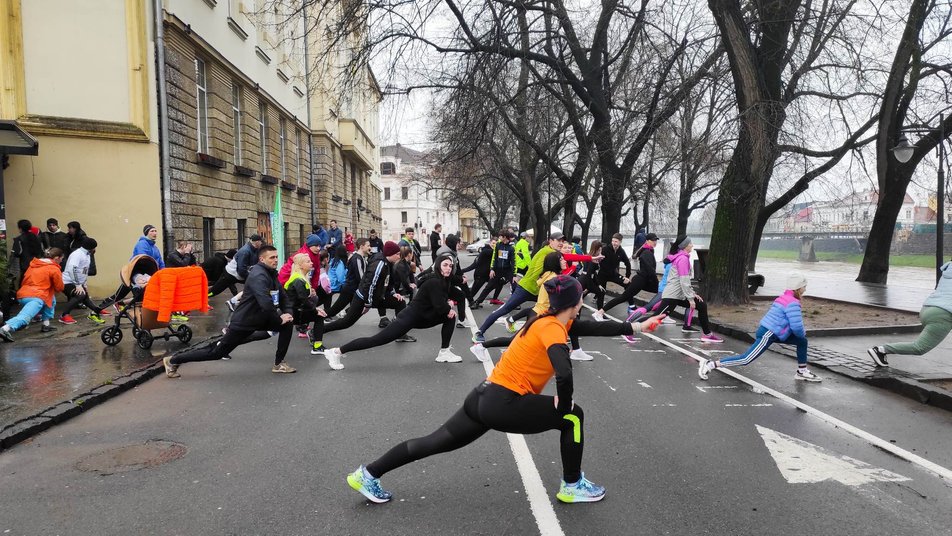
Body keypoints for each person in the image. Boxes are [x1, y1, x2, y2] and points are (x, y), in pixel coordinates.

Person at [345, 275, 664, 504]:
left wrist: (637, 326)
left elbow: (594, 327)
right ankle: (572, 485)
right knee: (573, 417)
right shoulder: (553, 327)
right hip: (504, 403)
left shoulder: (548, 320)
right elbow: (564, 372)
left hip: (483, 396)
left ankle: (368, 473)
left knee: (434, 442)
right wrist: (563, 405)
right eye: (581, 297)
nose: (583, 302)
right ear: (575, 302)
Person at [163, 245, 298, 377]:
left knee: (287, 324)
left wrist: (288, 314)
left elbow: (283, 296)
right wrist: (279, 319)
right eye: (272, 258)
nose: (275, 260)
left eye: (276, 257)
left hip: (261, 318)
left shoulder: (271, 273)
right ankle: (173, 360)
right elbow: (265, 302)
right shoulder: (259, 275)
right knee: (216, 352)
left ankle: (279, 364)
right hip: (244, 321)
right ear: (262, 259)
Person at [324, 254, 466, 369]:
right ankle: (336, 352)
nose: (448, 268)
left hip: (422, 317)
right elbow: (440, 306)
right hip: (409, 318)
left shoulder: (444, 281)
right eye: (445, 265)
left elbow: (458, 295)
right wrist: (449, 306)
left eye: (450, 266)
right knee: (377, 340)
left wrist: (450, 304)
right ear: (438, 266)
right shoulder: (434, 282)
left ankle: (444, 353)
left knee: (449, 317)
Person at [473, 232, 600, 342]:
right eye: (558, 240)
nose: (561, 243)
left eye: (562, 241)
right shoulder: (547, 251)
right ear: (551, 241)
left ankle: (559, 337)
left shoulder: (554, 252)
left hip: (538, 289)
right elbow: (562, 259)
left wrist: (590, 258)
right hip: (526, 288)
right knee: (505, 309)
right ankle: (480, 332)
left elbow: (568, 256)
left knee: (550, 309)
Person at [698, 274, 820, 382]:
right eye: (804, 286)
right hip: (769, 334)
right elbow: (797, 327)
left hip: (774, 333)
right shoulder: (792, 303)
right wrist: (802, 333)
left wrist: (800, 336)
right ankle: (710, 364)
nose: (805, 289)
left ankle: (802, 371)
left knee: (802, 341)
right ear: (798, 288)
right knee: (746, 359)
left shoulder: (783, 298)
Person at [321, 241, 407, 365]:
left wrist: (393, 293)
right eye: (397, 254)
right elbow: (369, 285)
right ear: (390, 254)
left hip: (376, 297)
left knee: (399, 302)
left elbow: (388, 282)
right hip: (362, 297)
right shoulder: (379, 264)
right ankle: (318, 331)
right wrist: (367, 304)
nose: (399, 256)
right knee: (346, 322)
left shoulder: (388, 263)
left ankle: (401, 334)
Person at [868, 259, 952, 367]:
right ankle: (881, 350)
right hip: (943, 314)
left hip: (928, 308)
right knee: (919, 348)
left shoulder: (948, 270)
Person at [647, 236, 722, 343]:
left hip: (679, 295)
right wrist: (691, 299)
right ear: (685, 246)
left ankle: (707, 334)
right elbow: (684, 281)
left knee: (701, 305)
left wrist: (693, 294)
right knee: (656, 318)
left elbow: (684, 282)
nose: (692, 245)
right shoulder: (682, 259)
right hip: (672, 296)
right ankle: (628, 328)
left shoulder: (682, 257)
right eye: (690, 244)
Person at [0, 248, 65, 342]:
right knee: (25, 316)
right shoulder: (54, 268)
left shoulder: (33, 265)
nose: (61, 261)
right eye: (61, 259)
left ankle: (46, 325)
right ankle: (4, 329)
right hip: (37, 297)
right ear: (56, 258)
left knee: (51, 299)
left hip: (23, 294)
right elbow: (59, 287)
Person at [593, 233, 659, 321]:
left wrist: (626, 277)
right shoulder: (646, 252)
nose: (655, 242)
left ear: (620, 242)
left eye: (656, 240)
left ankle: (633, 307)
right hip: (605, 274)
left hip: (623, 276)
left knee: (663, 294)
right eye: (653, 240)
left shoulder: (648, 251)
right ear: (647, 241)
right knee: (613, 295)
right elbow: (650, 270)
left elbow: (628, 264)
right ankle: (599, 312)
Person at [282, 252, 329, 354]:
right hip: (292, 313)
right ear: (300, 265)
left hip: (294, 311)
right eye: (308, 262)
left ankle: (317, 346)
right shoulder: (298, 280)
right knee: (319, 316)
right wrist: (315, 309)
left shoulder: (301, 277)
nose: (311, 263)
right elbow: (303, 300)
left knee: (319, 314)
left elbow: (303, 299)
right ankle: (317, 346)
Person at [60, 238, 110, 325]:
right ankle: (64, 315)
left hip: (77, 282)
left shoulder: (87, 255)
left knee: (85, 296)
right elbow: (72, 269)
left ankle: (96, 310)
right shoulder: (77, 254)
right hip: (67, 281)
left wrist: (84, 285)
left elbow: (84, 271)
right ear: (92, 248)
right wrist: (78, 285)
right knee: (80, 295)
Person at [325, 238, 370, 320]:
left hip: (353, 289)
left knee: (355, 308)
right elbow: (361, 277)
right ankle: (317, 317)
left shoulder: (360, 258)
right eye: (368, 245)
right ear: (361, 246)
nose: (370, 247)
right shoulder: (357, 259)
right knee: (334, 310)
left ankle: (343, 315)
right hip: (349, 289)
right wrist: (367, 287)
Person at [207, 234, 262, 300]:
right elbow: (241, 270)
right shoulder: (245, 251)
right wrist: (251, 276)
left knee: (255, 283)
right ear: (257, 242)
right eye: (260, 241)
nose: (261, 243)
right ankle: (203, 297)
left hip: (237, 275)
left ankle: (243, 300)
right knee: (214, 291)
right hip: (230, 274)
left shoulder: (255, 249)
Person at [474, 231, 516, 307]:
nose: (499, 238)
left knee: (514, 286)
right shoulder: (498, 245)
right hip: (497, 270)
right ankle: (477, 302)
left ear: (505, 237)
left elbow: (514, 261)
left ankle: (515, 304)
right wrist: (492, 269)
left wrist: (514, 274)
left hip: (507, 270)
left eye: (500, 236)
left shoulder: (512, 247)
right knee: (488, 286)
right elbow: (494, 258)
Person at [10, 220, 44, 289]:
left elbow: (17, 252)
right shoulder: (37, 237)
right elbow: (41, 250)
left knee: (24, 284)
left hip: (25, 265)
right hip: (37, 264)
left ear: (20, 228)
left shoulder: (19, 239)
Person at [464, 237, 495, 307]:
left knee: (493, 285)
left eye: (496, 244)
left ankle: (477, 301)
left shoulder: (490, 251)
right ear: (490, 243)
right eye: (493, 243)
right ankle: (464, 300)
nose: (494, 245)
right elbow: (474, 265)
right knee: (473, 291)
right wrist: (463, 271)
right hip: (480, 274)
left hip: (486, 275)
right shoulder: (486, 251)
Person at [578, 241, 606, 310]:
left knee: (579, 297)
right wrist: (590, 287)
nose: (600, 252)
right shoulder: (592, 259)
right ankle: (600, 312)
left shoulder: (592, 257)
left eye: (600, 250)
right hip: (585, 280)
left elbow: (594, 273)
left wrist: (598, 284)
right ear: (595, 249)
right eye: (599, 250)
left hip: (586, 279)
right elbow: (589, 274)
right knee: (601, 292)